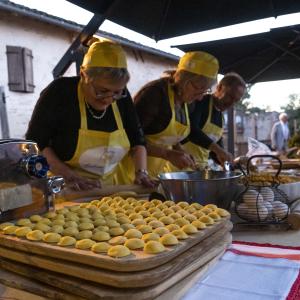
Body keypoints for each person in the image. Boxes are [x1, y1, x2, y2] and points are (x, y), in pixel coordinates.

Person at [26, 39, 154, 190]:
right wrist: (69, 175)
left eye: (117, 92)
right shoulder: (59, 92)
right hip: (64, 186)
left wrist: (141, 172)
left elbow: (137, 141)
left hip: (106, 188)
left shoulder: (122, 100)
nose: (109, 99)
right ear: (83, 75)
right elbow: (36, 142)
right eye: (102, 91)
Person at [134, 51, 219, 178]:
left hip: (155, 173)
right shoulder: (154, 94)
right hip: (133, 172)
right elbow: (132, 139)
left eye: (205, 91)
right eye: (198, 88)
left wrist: (179, 149)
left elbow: (170, 135)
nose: (200, 98)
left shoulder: (187, 102)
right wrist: (167, 154)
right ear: (183, 78)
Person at [182, 72, 246, 169]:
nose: (231, 103)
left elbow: (215, 153)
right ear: (219, 87)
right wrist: (219, 150)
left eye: (236, 101)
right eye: (230, 96)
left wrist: (232, 162)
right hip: (179, 168)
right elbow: (191, 131)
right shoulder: (201, 101)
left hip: (199, 169)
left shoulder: (221, 118)